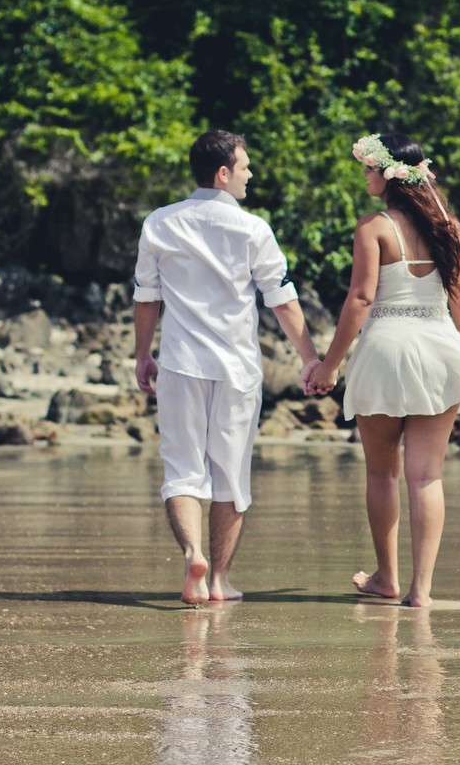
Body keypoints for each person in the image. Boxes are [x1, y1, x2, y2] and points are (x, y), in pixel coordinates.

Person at [306, 133, 460, 607]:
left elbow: (361, 299)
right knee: (426, 476)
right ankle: (421, 591)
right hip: (440, 346)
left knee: (382, 474)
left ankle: (387, 578)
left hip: (384, 351)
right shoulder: (450, 227)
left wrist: (329, 365)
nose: (365, 176)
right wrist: (454, 353)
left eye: (369, 168)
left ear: (389, 174)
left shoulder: (373, 227)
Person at [134, 129, 321, 606]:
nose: (250, 174)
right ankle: (219, 581)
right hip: (237, 368)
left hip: (181, 364)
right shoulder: (253, 229)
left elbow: (147, 297)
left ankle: (193, 555)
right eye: (244, 166)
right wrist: (309, 357)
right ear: (223, 173)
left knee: (182, 470)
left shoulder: (159, 222)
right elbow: (281, 298)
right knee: (230, 477)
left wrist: (142, 355)